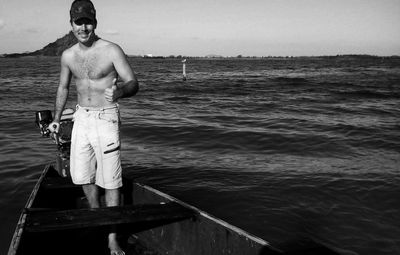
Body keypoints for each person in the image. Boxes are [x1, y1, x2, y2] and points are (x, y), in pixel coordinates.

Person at [49, 0, 139, 254]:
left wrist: (120, 90)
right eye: (78, 22)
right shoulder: (68, 55)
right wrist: (57, 116)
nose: (83, 27)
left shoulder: (111, 50)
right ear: (71, 24)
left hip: (106, 117)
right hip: (81, 118)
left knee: (111, 181)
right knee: (82, 175)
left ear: (95, 22)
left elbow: (133, 82)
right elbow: (63, 87)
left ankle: (112, 237)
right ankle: (97, 217)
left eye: (87, 21)